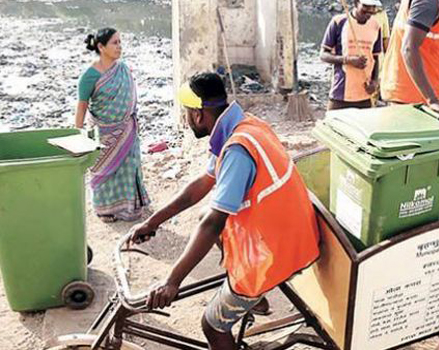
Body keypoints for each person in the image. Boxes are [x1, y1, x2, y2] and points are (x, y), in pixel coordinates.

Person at [127, 73, 320, 350]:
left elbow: (212, 224)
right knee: (208, 212)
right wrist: (152, 222)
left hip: (277, 248)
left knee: (212, 324)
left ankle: (252, 294)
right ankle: (254, 298)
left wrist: (172, 281)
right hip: (286, 229)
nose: (186, 118)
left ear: (198, 115)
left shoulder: (237, 152)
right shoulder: (240, 126)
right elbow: (199, 186)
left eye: (187, 112)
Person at [75, 28, 150, 222]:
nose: (119, 47)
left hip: (126, 129)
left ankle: (129, 209)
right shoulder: (89, 76)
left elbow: (131, 97)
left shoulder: (123, 69)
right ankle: (105, 209)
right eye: (114, 43)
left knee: (128, 167)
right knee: (102, 170)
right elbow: (82, 106)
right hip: (103, 132)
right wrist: (78, 133)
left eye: (120, 42)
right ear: (101, 47)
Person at [320, 0, 383, 110]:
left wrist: (375, 82)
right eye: (365, 6)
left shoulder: (376, 26)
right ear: (355, 3)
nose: (370, 11)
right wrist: (347, 60)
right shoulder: (339, 22)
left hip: (365, 93)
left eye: (373, 7)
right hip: (341, 93)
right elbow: (323, 55)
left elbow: (375, 58)